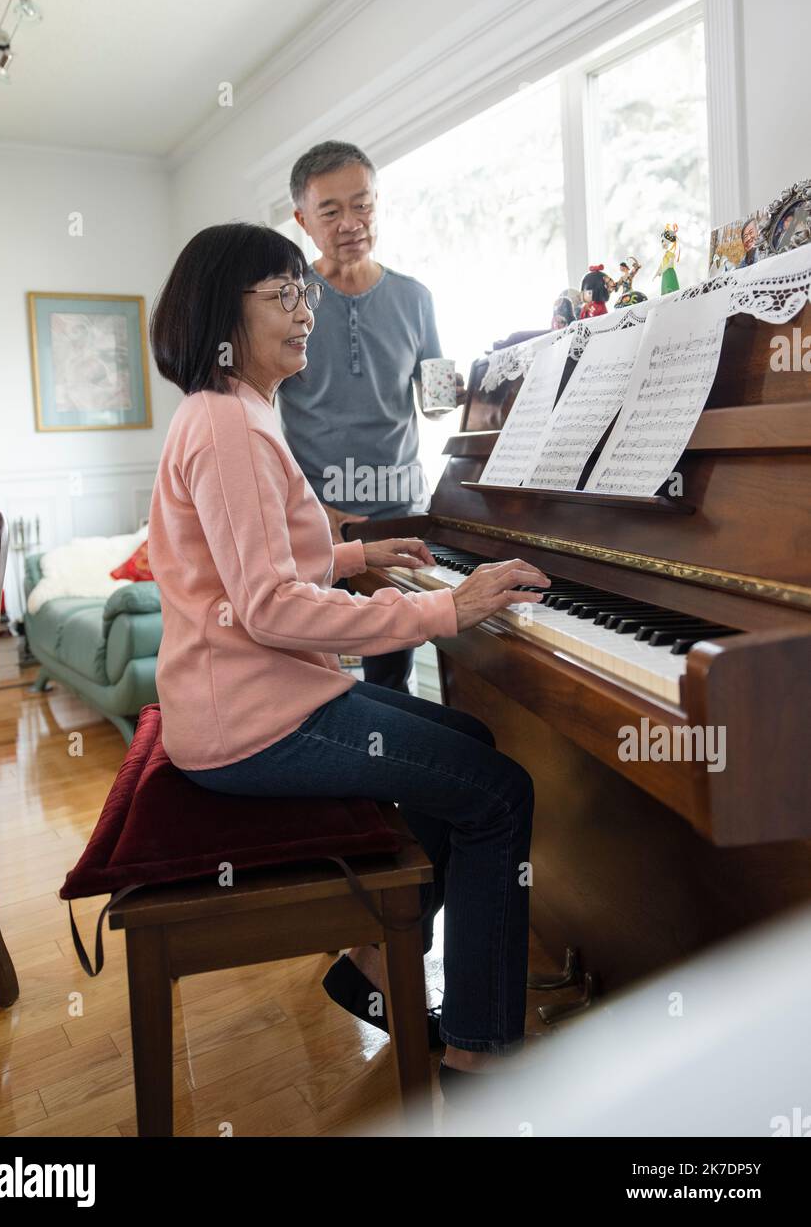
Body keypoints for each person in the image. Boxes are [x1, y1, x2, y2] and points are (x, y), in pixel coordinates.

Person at [147, 221, 550, 1093]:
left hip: (251, 696)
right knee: (498, 794)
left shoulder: (236, 411)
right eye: (282, 295)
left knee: (471, 746)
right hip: (250, 722)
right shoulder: (228, 426)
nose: (305, 313)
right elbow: (268, 606)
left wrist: (365, 558)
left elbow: (253, 562)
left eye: (306, 294)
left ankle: (374, 961)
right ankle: (480, 1051)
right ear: (224, 312)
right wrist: (446, 606)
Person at [276, 140, 464, 694]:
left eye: (363, 205)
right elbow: (256, 417)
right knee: (310, 677)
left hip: (400, 514)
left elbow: (437, 404)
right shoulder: (287, 303)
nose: (350, 223)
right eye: (330, 211)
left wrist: (489, 379)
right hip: (318, 520)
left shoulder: (416, 297)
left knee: (391, 677)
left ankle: (388, 774)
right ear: (302, 220)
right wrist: (307, 508)